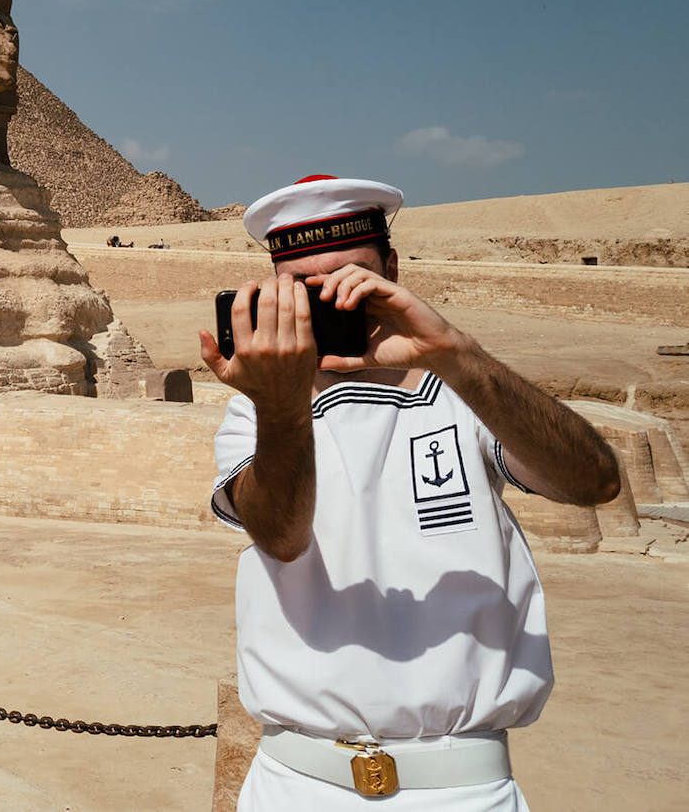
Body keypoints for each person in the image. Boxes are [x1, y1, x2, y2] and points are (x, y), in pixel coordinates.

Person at [198, 175, 620, 810]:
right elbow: (281, 536)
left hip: (462, 787)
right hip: (298, 785)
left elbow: (595, 482)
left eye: (353, 281)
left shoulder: (467, 394)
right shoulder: (257, 415)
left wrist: (453, 353)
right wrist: (279, 401)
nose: (336, 305)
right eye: (309, 292)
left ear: (391, 269)